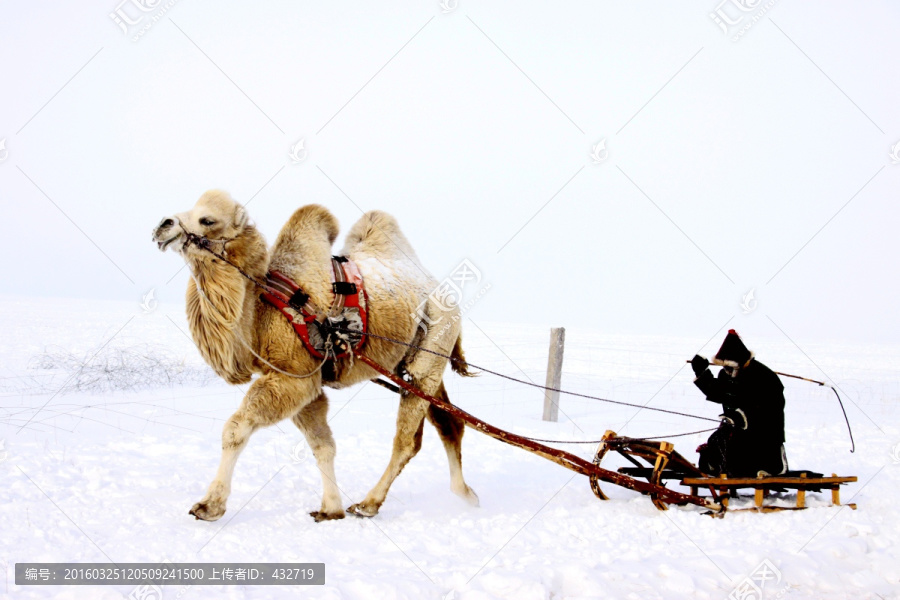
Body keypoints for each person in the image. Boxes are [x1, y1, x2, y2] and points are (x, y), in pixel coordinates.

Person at [690, 329, 788, 477]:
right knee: (716, 441)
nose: (726, 370)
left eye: (730, 367)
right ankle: (715, 469)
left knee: (747, 449)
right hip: (735, 428)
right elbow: (718, 393)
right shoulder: (726, 375)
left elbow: (769, 406)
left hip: (763, 431)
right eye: (724, 367)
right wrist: (702, 373)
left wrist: (740, 416)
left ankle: (771, 467)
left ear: (741, 363)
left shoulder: (764, 376)